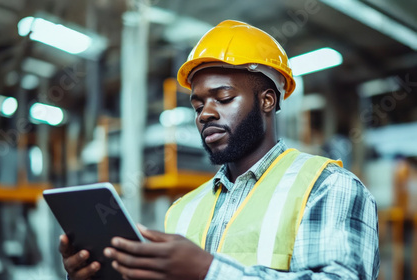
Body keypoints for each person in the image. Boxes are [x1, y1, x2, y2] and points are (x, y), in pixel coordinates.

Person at [59, 20, 380, 280]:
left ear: (267, 100)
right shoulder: (183, 210)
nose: (205, 114)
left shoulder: (327, 186)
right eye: (198, 105)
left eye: (223, 98)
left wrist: (208, 271)